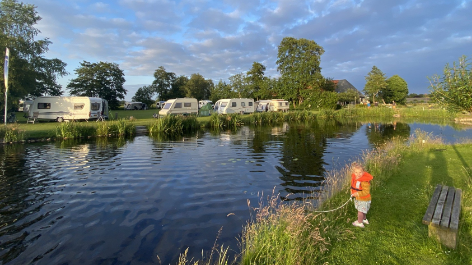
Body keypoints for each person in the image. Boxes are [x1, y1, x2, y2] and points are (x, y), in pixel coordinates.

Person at [350, 163, 373, 228]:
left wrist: (357, 194)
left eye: (360, 172)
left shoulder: (364, 181)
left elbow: (366, 192)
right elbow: (354, 188)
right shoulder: (355, 178)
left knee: (360, 211)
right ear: (354, 172)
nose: (358, 174)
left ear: (363, 172)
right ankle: (364, 219)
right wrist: (352, 193)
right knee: (363, 210)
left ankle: (359, 223)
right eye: (356, 172)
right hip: (359, 198)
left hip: (363, 199)